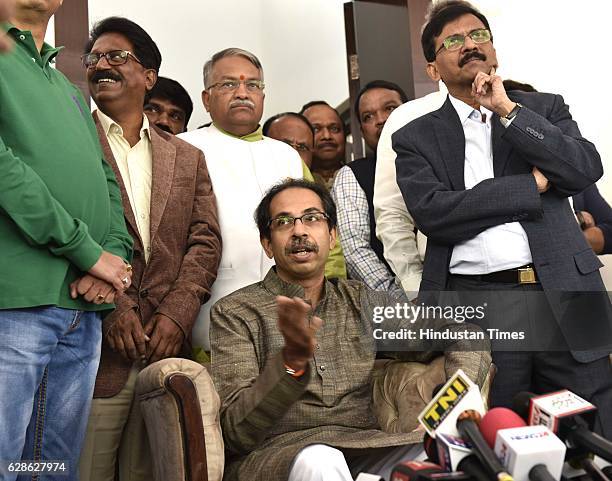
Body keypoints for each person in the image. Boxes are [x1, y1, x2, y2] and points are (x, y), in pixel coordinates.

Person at [392, 0, 612, 435]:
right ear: (434, 68)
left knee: (594, 431)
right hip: (478, 306)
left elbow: (583, 168)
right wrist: (531, 188)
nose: (470, 45)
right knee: (491, 433)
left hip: (565, 293)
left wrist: (508, 112)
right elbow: (436, 214)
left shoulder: (543, 109)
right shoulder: (414, 136)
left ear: (494, 51)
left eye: (479, 36)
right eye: (453, 40)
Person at [211, 178, 491, 481]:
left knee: (453, 449)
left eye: (312, 218)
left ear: (332, 237)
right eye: (283, 222)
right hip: (281, 455)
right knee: (321, 460)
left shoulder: (360, 300)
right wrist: (289, 365)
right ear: (267, 244)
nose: (300, 231)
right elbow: (236, 432)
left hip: (366, 446)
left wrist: (449, 407)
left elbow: (461, 332)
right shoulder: (235, 313)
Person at [78, 17, 222, 480]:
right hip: (93, 349)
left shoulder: (187, 156)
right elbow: (67, 234)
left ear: (149, 76)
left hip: (163, 348)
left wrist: (177, 313)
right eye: (95, 57)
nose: (102, 64)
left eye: (116, 56)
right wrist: (114, 309)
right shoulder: (72, 141)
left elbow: (205, 240)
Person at [0, 1, 133, 478]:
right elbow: (4, 173)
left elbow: (107, 181)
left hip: (82, 311)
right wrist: (86, 252)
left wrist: (112, 259)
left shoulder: (69, 90)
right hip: (16, 304)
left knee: (52, 468)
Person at [178, 48, 303, 357]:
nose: (242, 93)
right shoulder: (186, 148)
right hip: (213, 305)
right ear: (207, 99)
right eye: (229, 84)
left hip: (287, 305)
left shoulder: (286, 154)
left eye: (253, 85)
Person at [332, 80, 406, 292]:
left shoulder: (439, 160)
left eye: (390, 108)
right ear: (362, 131)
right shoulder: (353, 175)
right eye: (368, 117)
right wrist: (401, 299)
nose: (381, 120)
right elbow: (355, 250)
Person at [264, 111, 347, 279]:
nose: (293, 154)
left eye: (302, 148)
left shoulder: (316, 195)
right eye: (285, 146)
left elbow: (332, 257)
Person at [301, 100, 346, 190]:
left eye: (334, 128)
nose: (327, 136)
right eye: (316, 129)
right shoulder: (293, 182)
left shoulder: (361, 177)